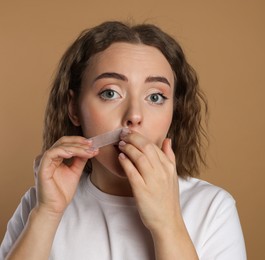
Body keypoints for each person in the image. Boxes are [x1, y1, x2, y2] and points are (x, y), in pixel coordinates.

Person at [0, 21, 246, 260]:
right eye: (110, 93)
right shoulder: (39, 203)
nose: (135, 116)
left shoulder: (212, 208)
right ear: (73, 108)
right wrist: (47, 214)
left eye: (156, 97)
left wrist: (168, 223)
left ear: (175, 111)